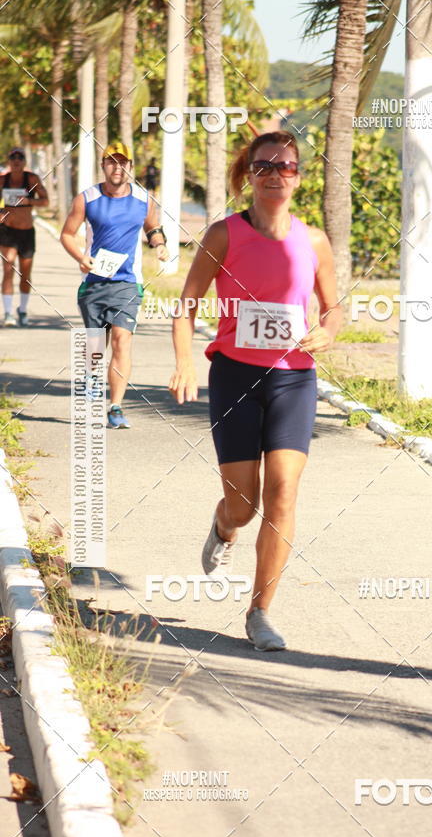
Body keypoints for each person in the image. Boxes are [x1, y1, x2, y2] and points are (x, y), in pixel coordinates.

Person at [169, 130, 342, 651]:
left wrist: (328, 332)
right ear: (250, 175)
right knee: (243, 506)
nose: (275, 174)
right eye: (264, 166)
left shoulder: (313, 241)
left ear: (298, 177)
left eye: (285, 166)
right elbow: (187, 303)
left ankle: (260, 611)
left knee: (284, 490)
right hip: (235, 377)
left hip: (293, 377)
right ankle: (224, 527)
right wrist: (184, 362)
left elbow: (333, 308)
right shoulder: (224, 235)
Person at [60, 141, 169, 428]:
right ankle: (91, 384)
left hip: (128, 284)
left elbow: (152, 227)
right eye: (111, 162)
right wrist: (82, 258)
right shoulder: (87, 198)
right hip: (94, 283)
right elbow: (68, 234)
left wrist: (159, 245)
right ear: (103, 165)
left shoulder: (144, 199)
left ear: (130, 166)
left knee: (122, 340)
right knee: (96, 345)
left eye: (122, 162)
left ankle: (116, 407)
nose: (117, 167)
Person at [0, 147, 49, 326]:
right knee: (8, 269)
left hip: (27, 232)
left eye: (20, 158)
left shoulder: (32, 179)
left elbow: (45, 201)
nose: (17, 161)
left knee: (25, 274)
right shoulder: (2, 180)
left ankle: (22, 310)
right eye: (13, 157)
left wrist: (30, 201)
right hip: (7, 231)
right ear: (9, 161)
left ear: (25, 162)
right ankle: (7, 314)